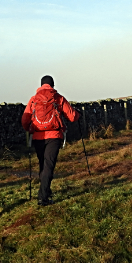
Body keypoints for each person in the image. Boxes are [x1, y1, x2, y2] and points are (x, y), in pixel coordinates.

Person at [21, 75, 80, 206]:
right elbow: (72, 116)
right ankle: (43, 197)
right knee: (49, 165)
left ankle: (45, 192)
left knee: (43, 164)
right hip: (54, 136)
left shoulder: (34, 99)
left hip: (37, 136)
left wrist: (29, 129)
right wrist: (78, 114)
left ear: (41, 85)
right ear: (52, 85)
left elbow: (25, 119)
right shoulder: (58, 98)